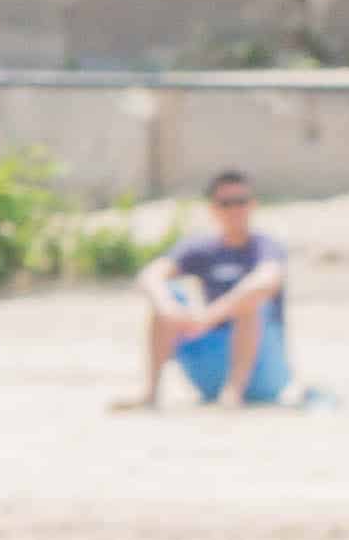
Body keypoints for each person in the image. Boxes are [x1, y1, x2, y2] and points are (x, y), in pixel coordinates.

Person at [122, 173, 294, 410]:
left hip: (262, 367)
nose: (234, 209)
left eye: (241, 201)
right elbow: (150, 275)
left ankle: (234, 392)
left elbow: (267, 280)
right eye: (226, 203)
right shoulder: (201, 247)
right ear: (214, 209)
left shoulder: (265, 247)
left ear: (253, 205)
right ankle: (151, 393)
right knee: (167, 294)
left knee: (249, 298)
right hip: (210, 365)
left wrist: (211, 315)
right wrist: (168, 306)